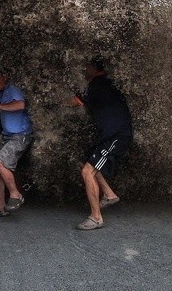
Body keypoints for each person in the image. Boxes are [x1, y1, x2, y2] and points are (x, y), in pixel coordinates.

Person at [71, 55, 133, 230]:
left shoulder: (97, 85)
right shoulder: (107, 83)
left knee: (87, 171)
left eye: (86, 66)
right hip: (110, 135)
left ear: (93, 68)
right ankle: (109, 194)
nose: (84, 70)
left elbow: (76, 102)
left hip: (116, 136)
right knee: (86, 161)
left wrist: (53, 101)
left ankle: (96, 217)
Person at [0, 70, 33, 217]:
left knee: (0, 163)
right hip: (6, 137)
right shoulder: (3, 92)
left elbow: (21, 104)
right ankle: (1, 208)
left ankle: (16, 195)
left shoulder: (13, 88)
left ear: (5, 76)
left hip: (20, 136)